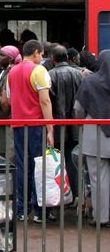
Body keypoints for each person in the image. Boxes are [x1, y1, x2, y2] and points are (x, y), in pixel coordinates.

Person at [5, 39, 54, 224]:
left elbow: (9, 99)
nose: (41, 58)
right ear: (35, 52)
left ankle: (21, 209)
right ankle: (40, 211)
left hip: (18, 125)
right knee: (39, 168)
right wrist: (50, 129)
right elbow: (45, 101)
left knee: (21, 166)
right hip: (36, 125)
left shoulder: (12, 71)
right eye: (41, 54)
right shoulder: (39, 70)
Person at [73, 49, 110, 227]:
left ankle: (101, 217)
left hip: (95, 134)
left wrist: (81, 122)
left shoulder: (90, 81)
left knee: (97, 179)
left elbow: (79, 108)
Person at [48, 44, 83, 197]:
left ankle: (61, 193)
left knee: (56, 159)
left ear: (52, 59)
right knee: (73, 158)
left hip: (56, 124)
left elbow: (48, 100)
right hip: (76, 123)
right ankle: (76, 194)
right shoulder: (79, 74)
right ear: (67, 58)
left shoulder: (49, 75)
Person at [0, 45, 20, 160]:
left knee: (5, 158)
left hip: (5, 121)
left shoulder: (11, 73)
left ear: (11, 58)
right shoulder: (2, 72)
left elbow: (7, 102)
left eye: (2, 55)